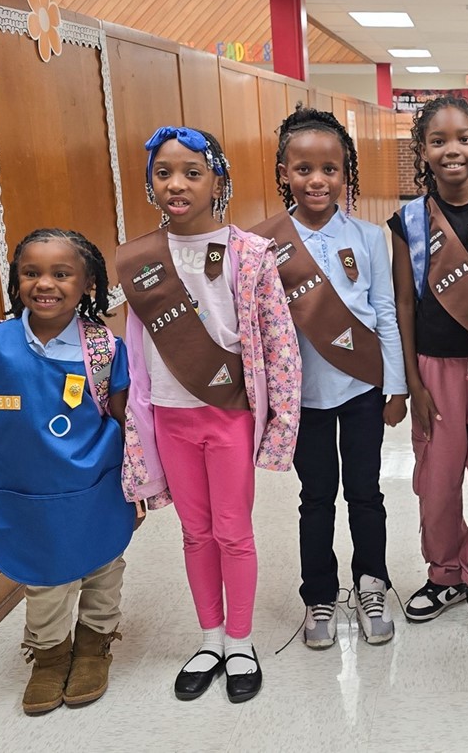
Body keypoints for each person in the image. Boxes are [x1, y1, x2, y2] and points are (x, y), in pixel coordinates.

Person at [116, 126, 301, 704]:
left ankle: (241, 641)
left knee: (233, 531)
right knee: (195, 533)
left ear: (216, 179)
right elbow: (132, 351)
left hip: (229, 414)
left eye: (192, 172)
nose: (177, 184)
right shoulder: (142, 259)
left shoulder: (251, 253)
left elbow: (280, 341)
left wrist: (280, 428)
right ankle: (209, 638)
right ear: (150, 183)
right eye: (164, 172)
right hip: (169, 415)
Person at [0, 228, 137, 715]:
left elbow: (125, 423)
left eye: (62, 273)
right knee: (45, 581)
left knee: (103, 568)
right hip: (25, 497)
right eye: (31, 272)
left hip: (96, 490)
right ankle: (50, 656)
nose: (45, 284)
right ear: (16, 281)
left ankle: (95, 644)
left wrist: (138, 486)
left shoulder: (104, 348)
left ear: (87, 285)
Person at [254, 106, 407, 649]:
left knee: (366, 493)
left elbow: (384, 312)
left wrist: (396, 386)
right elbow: (256, 331)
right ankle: (318, 593)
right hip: (302, 399)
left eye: (330, 169)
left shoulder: (368, 238)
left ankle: (371, 583)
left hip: (363, 388)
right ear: (283, 172)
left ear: (346, 174)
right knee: (315, 497)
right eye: (303, 169)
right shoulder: (262, 244)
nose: (317, 180)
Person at [388, 95, 468, 640]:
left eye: (463, 138)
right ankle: (443, 574)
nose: (451, 150)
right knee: (435, 482)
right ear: (423, 150)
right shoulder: (408, 221)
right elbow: (404, 306)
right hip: (433, 371)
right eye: (438, 141)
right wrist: (412, 381)